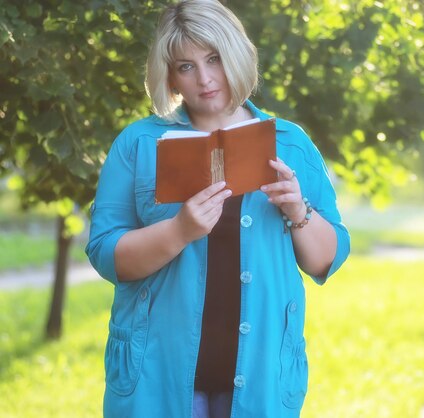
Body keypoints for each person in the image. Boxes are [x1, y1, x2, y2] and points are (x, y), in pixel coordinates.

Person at [85, 1, 350, 417]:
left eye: (214, 58)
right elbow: (104, 252)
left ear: (237, 55)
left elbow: (326, 259)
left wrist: (299, 210)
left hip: (262, 382)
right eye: (185, 66)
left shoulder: (291, 143)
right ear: (170, 76)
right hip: (155, 381)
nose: (205, 79)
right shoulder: (137, 145)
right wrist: (179, 231)